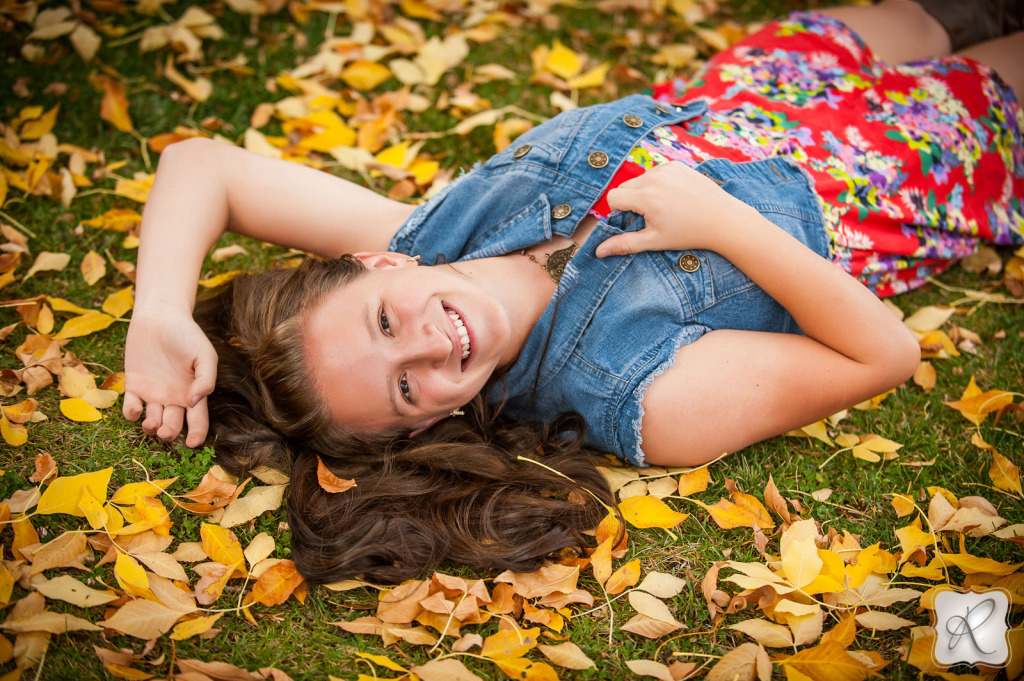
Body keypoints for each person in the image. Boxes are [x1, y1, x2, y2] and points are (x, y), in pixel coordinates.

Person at [123, 0, 1023, 582]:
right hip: (902, 172)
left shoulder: (425, 236)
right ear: (427, 426)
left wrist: (159, 313)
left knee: (937, 12)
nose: (431, 343)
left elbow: (203, 165)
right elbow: (882, 354)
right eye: (407, 386)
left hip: (763, 82)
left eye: (387, 320)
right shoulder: (634, 394)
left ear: (381, 267)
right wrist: (721, 222)